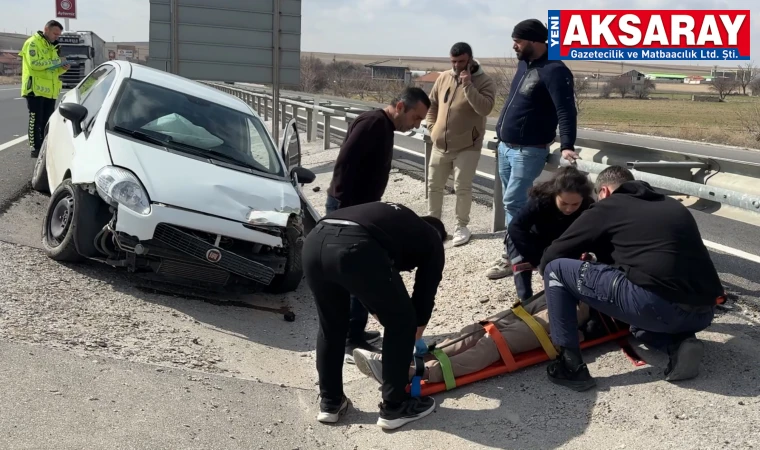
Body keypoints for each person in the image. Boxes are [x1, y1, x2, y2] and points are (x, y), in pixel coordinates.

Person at [538, 165, 724, 392]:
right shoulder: (671, 204)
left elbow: (554, 253)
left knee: (556, 269)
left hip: (658, 308)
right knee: (638, 327)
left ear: (604, 191)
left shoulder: (609, 205)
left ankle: (570, 366)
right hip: (704, 311)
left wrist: (553, 284)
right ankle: (677, 344)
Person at [302, 201, 447, 430]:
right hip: (355, 246)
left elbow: (365, 281)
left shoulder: (393, 223)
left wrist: (381, 311)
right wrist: (412, 334)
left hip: (314, 242)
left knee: (331, 327)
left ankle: (330, 403)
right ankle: (395, 407)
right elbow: (424, 296)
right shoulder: (433, 240)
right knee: (402, 322)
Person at [325, 87, 431, 363]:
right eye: (416, 118)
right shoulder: (372, 123)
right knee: (356, 274)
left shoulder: (384, 127)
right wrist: (348, 212)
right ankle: (349, 339)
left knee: (360, 271)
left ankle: (356, 331)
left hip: (359, 211)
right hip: (348, 210)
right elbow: (345, 165)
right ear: (401, 106)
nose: (416, 125)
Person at [485, 18, 579, 280]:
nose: (514, 46)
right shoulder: (524, 65)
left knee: (513, 202)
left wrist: (567, 145)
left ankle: (514, 257)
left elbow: (566, 110)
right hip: (506, 148)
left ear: (535, 41)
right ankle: (523, 250)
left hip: (528, 151)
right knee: (515, 205)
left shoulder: (555, 70)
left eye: (518, 41)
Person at [352, 292, 601, 385]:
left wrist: (575, 338)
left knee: (493, 343)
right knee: (479, 329)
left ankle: (411, 373)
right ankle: (405, 360)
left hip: (572, 313)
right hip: (559, 295)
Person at [425, 42, 496, 247]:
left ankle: (461, 226)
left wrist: (468, 85)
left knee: (462, 187)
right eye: (453, 61)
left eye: (461, 61)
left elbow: (485, 109)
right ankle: (433, 226)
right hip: (440, 144)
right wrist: (432, 128)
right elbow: (433, 104)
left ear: (470, 60)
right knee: (434, 186)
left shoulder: (484, 81)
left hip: (467, 146)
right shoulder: (444, 77)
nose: (456, 65)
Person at [507, 166, 594, 301]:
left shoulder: (588, 205)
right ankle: (526, 302)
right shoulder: (540, 199)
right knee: (521, 270)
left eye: (575, 204)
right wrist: (538, 260)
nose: (569, 209)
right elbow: (515, 227)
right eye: (564, 203)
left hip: (560, 241)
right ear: (555, 194)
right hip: (530, 239)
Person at [19, 20, 70, 158]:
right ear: (46, 29)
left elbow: (53, 70)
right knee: (35, 119)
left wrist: (63, 68)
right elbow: (35, 64)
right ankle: (35, 148)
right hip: (35, 89)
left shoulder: (53, 47)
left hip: (50, 90)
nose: (56, 37)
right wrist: (57, 61)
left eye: (58, 35)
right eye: (55, 33)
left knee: (47, 121)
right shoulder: (32, 43)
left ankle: (44, 146)